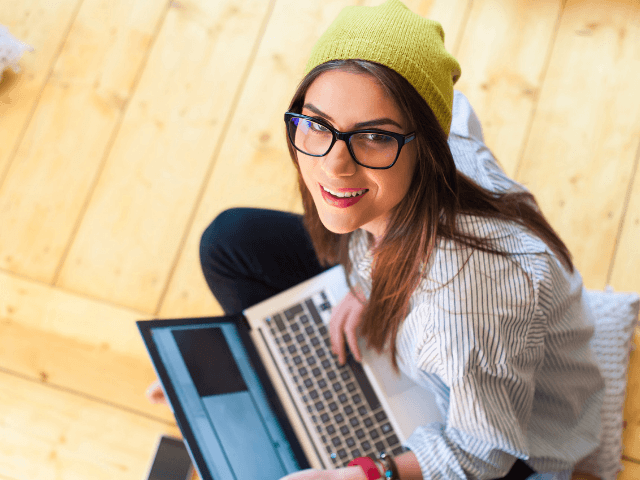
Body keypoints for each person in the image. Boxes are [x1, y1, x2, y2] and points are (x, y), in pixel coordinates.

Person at [149, 1, 605, 478]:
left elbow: (482, 452)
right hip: (434, 333)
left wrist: (362, 474)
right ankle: (265, 383)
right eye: (317, 123)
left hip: (511, 443)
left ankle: (292, 423)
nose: (333, 164)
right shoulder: (441, 128)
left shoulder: (470, 303)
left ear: (428, 145)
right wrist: (368, 284)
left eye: (374, 137)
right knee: (230, 242)